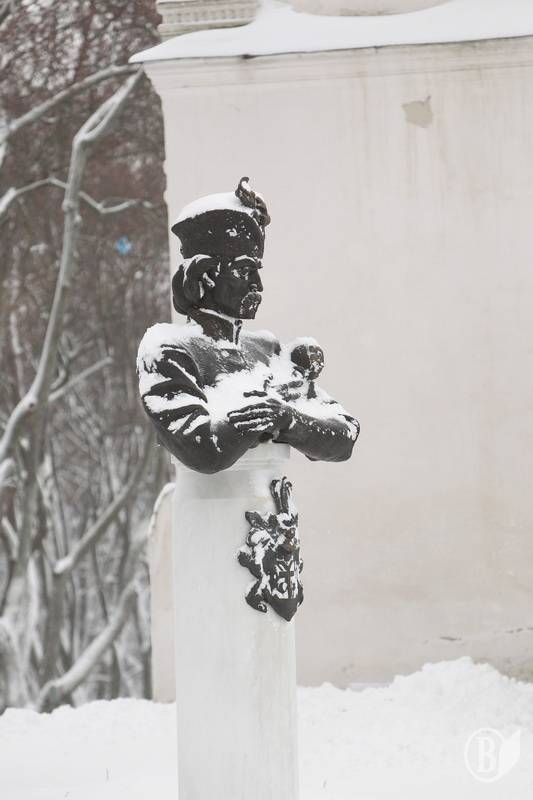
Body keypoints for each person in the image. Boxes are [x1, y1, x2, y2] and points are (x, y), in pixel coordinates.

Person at [137, 177, 359, 474]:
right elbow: (203, 450)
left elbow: (345, 435)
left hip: (273, 503)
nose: (258, 285)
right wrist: (266, 417)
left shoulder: (265, 350)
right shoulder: (168, 349)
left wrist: (287, 419)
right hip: (217, 504)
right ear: (205, 276)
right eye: (244, 271)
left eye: (256, 271)